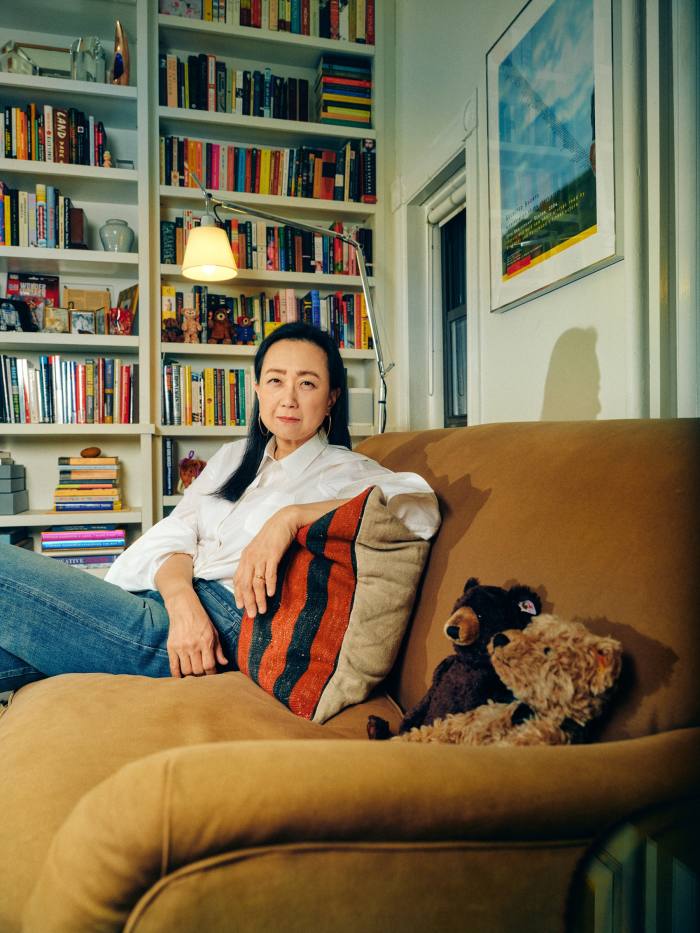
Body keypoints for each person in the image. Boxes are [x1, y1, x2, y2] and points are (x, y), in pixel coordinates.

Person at [0, 323, 440, 694]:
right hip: (177, 609)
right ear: (257, 388)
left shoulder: (343, 469)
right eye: (275, 380)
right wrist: (182, 603)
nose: (288, 397)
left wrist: (288, 519)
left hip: (226, 629)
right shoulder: (233, 458)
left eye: (307, 383)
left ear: (330, 399)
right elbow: (175, 534)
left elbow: (417, 508)